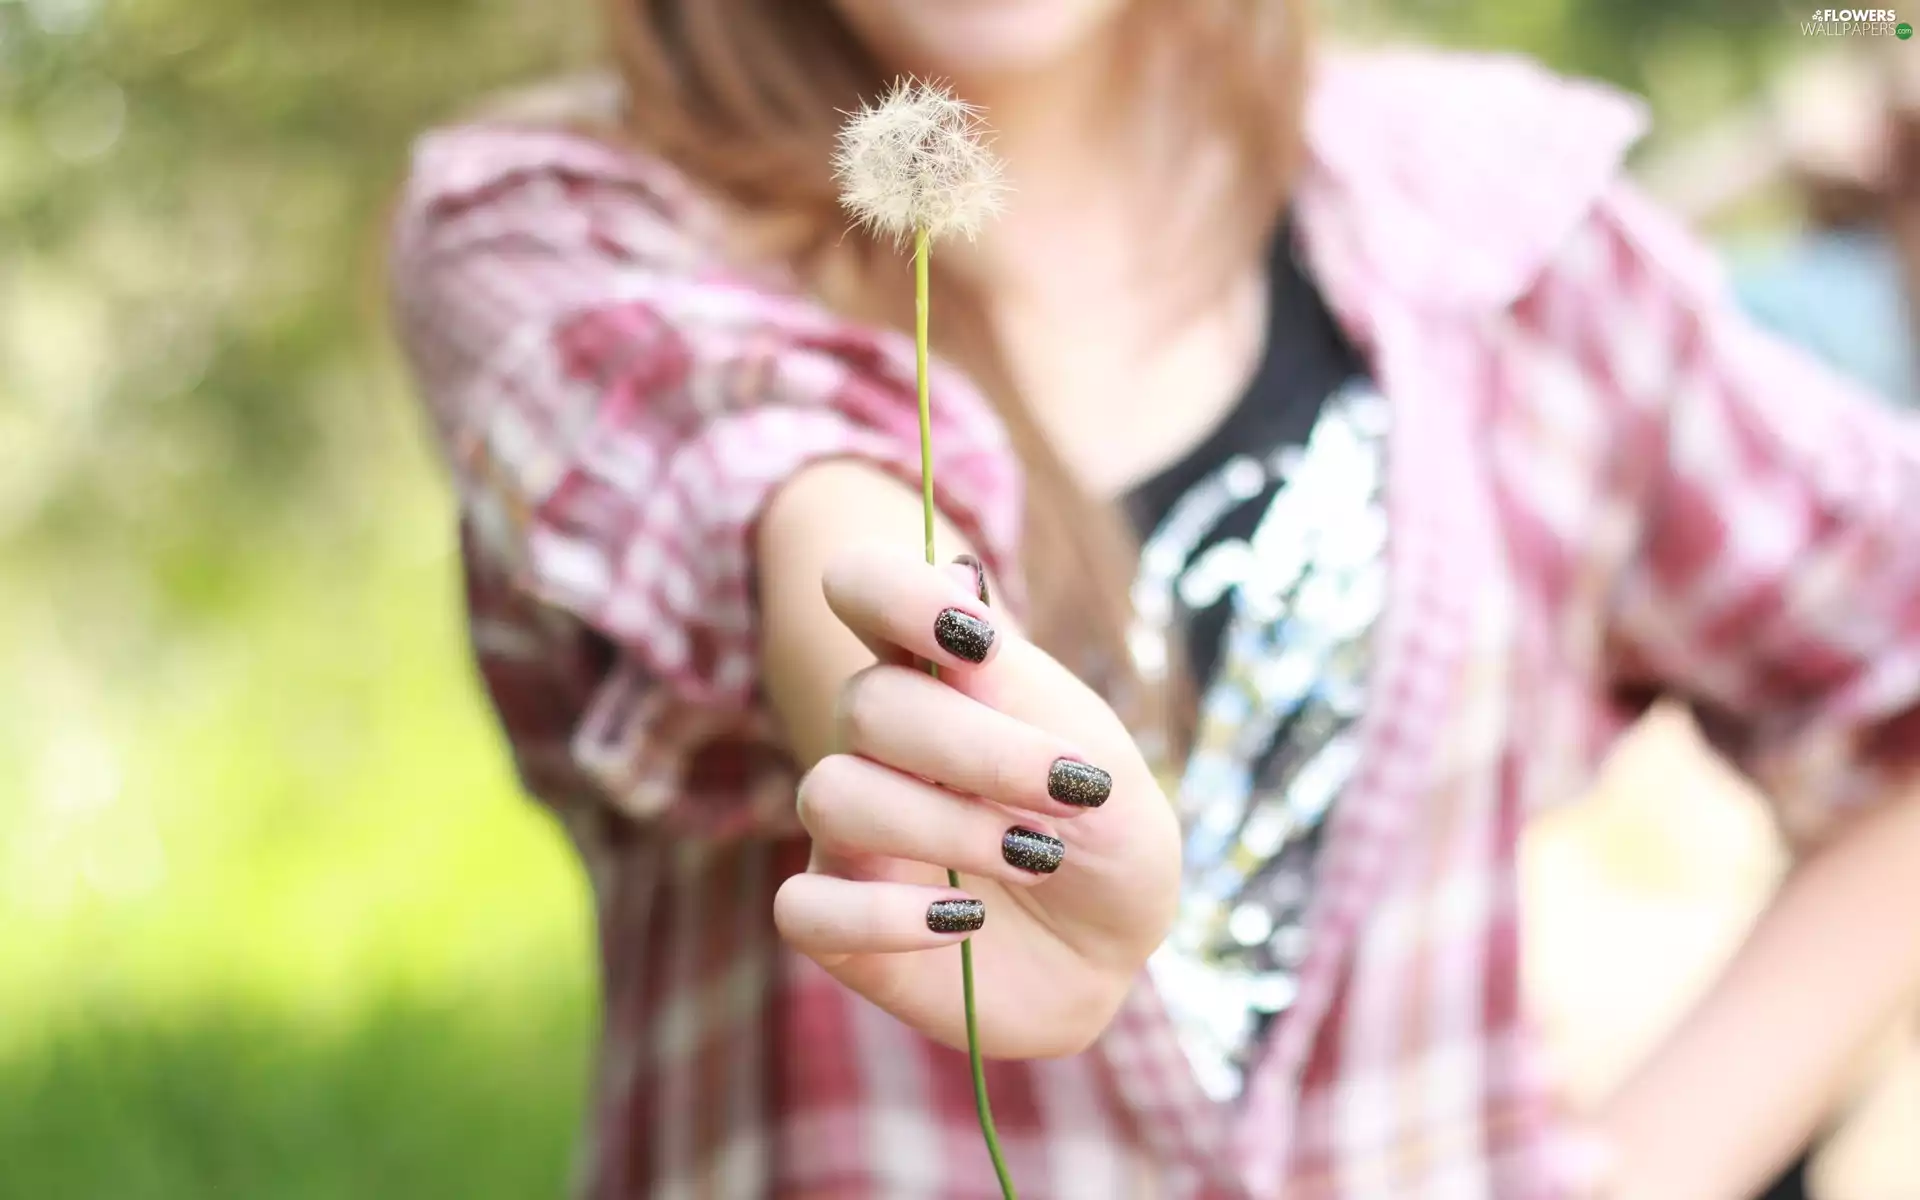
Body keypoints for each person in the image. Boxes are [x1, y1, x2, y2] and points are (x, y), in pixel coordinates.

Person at [387, 2, 1920, 1196]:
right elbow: (772, 479)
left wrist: (1648, 1173)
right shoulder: (556, 225)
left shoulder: (1501, 240)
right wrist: (933, 727)